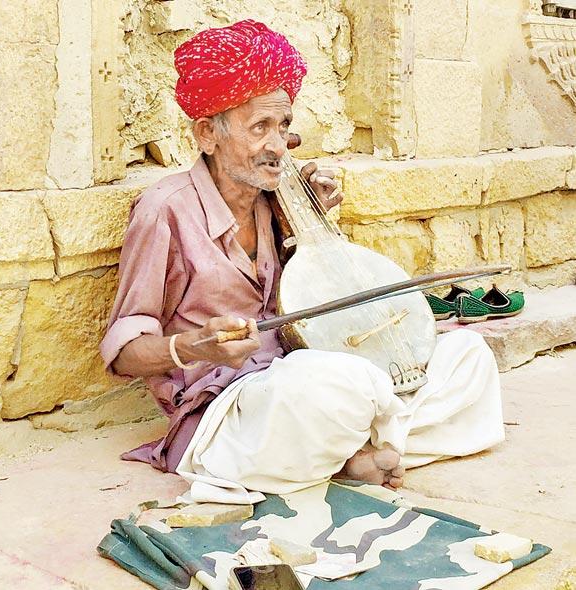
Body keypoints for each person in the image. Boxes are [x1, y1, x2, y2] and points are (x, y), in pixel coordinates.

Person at [100, 20, 505, 504]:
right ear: (208, 133)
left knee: (468, 357)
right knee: (339, 383)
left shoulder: (278, 200)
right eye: (260, 128)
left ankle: (344, 451)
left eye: (284, 126)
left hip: (301, 380)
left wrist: (310, 222)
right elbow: (123, 352)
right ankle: (362, 447)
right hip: (231, 404)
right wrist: (194, 346)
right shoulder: (164, 211)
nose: (278, 145)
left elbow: (313, 300)